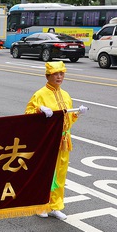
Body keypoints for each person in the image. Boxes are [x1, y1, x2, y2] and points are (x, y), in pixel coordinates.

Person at [25, 61, 88, 220]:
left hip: (64, 139)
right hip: (48, 140)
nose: (59, 77)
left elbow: (68, 120)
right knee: (46, 173)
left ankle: (55, 205)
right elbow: (28, 115)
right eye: (56, 74)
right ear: (48, 76)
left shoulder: (66, 95)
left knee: (60, 173)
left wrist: (77, 113)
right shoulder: (40, 94)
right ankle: (41, 205)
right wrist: (39, 110)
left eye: (62, 73)